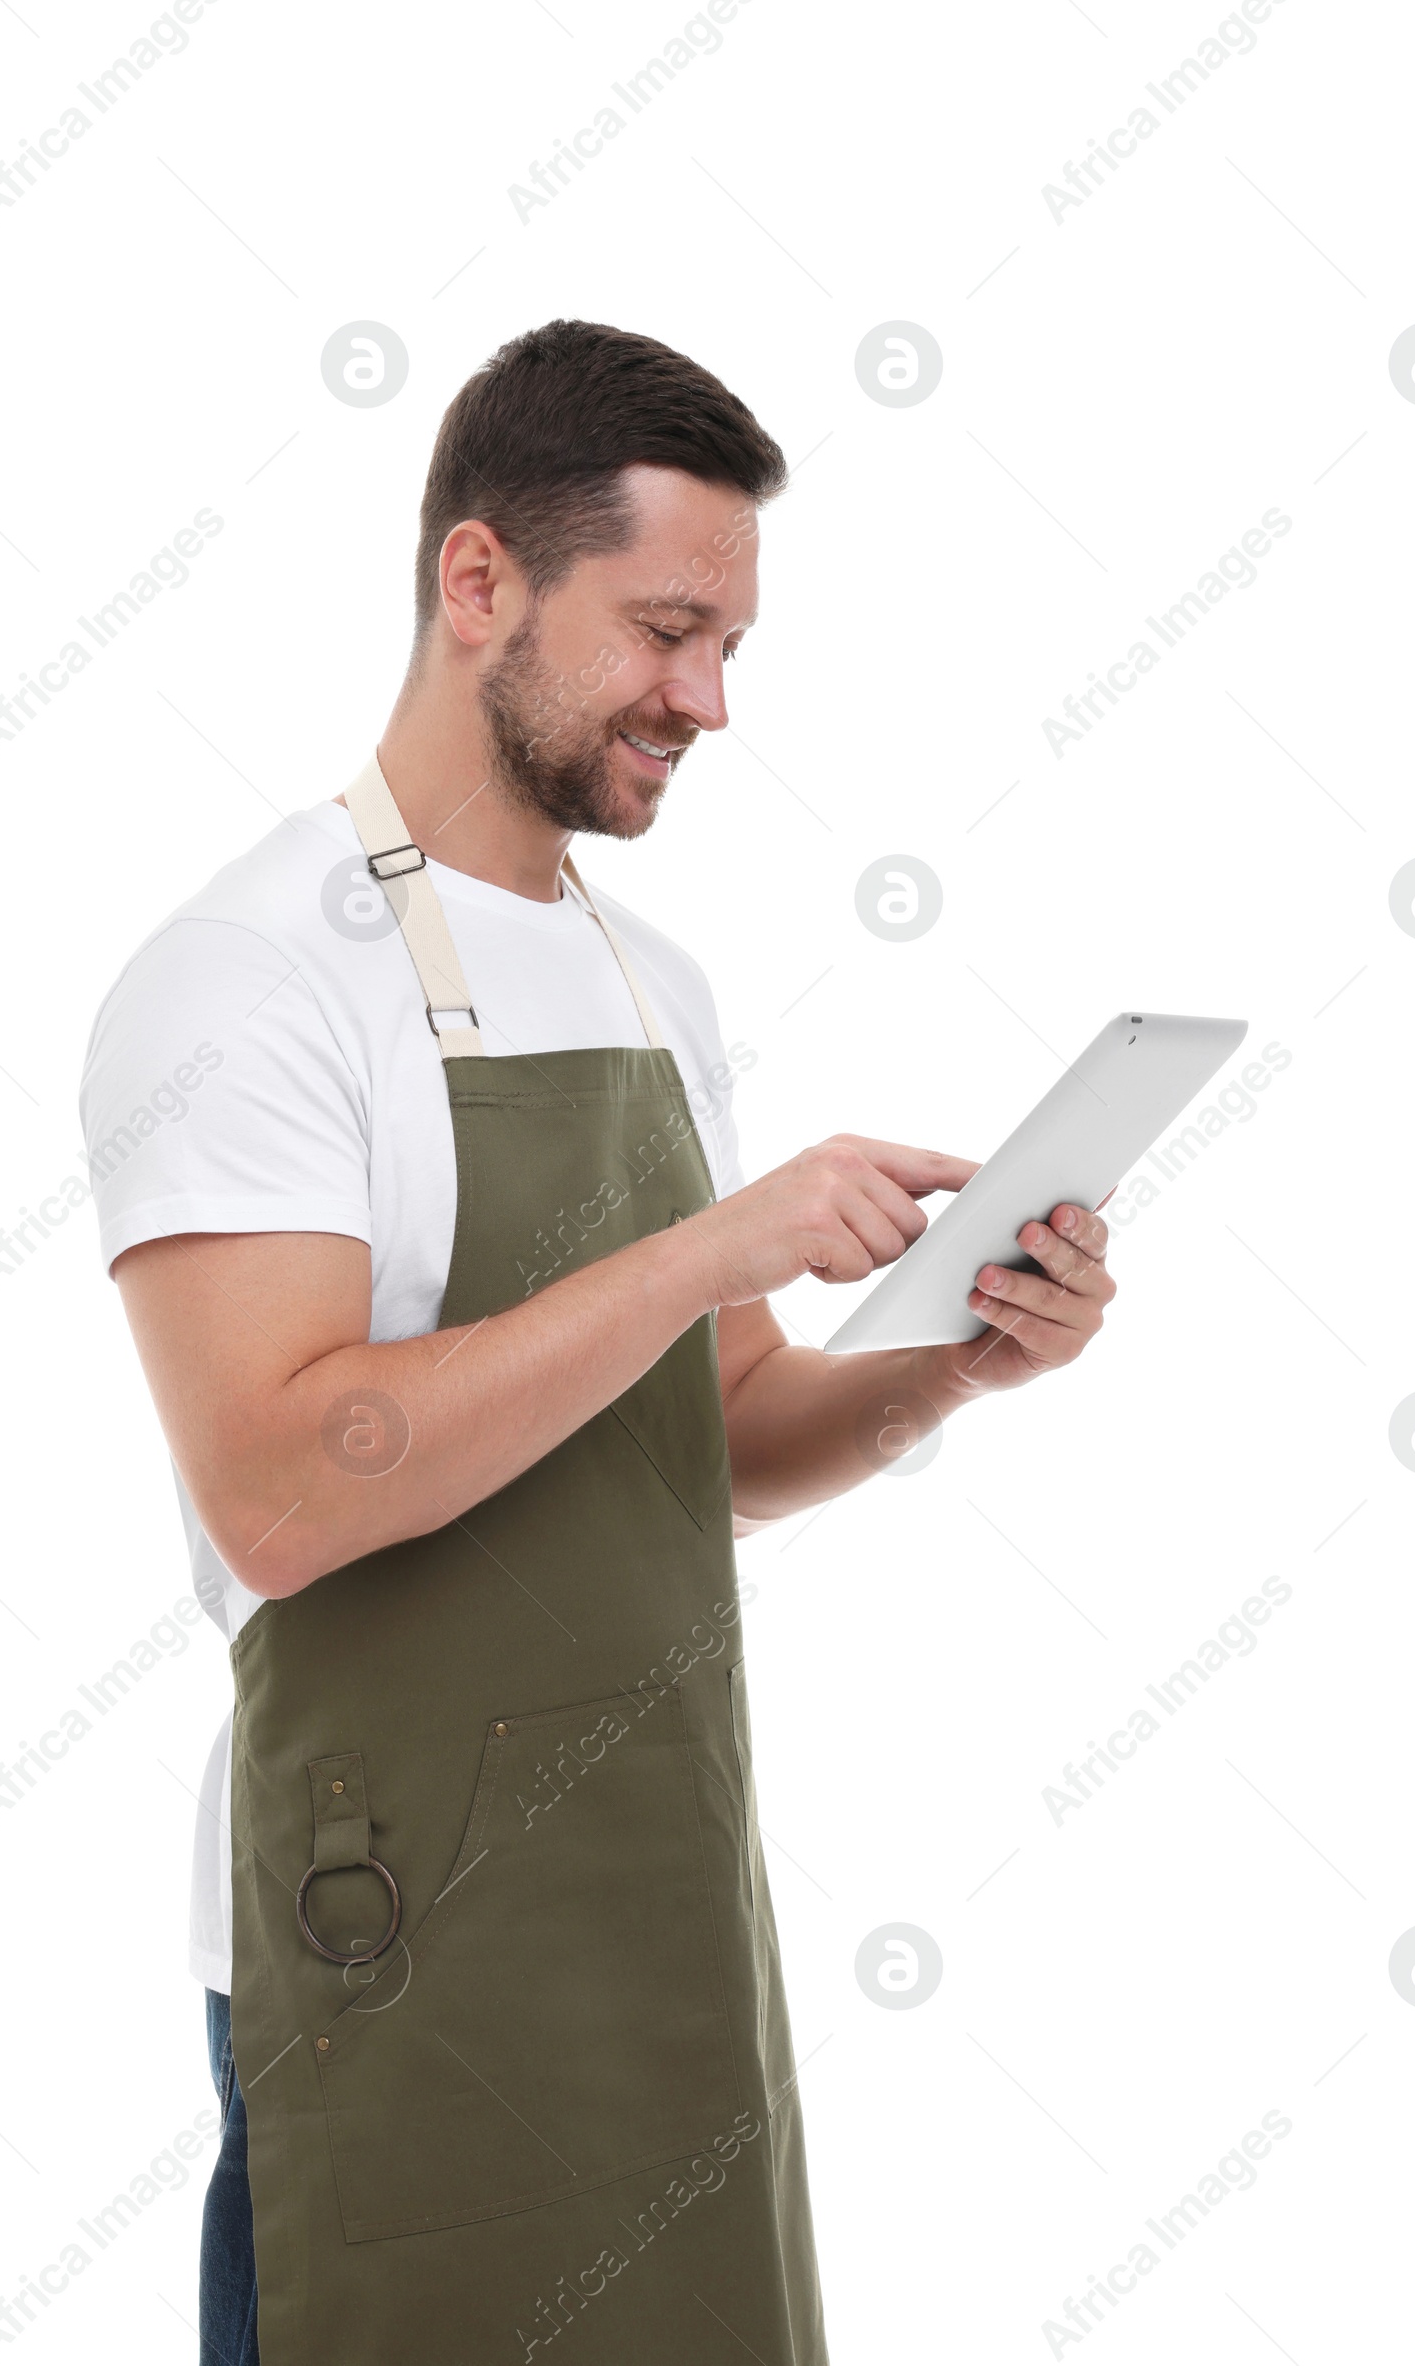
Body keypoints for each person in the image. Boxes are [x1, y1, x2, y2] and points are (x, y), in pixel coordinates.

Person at [79, 319, 1115, 2366]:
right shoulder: (249, 978)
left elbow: (714, 1437)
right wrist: (693, 1249)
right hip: (374, 1952)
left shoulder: (652, 983)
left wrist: (948, 1362)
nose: (706, 700)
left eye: (728, 644)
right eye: (662, 629)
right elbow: (282, 1493)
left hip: (654, 1919)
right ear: (478, 584)